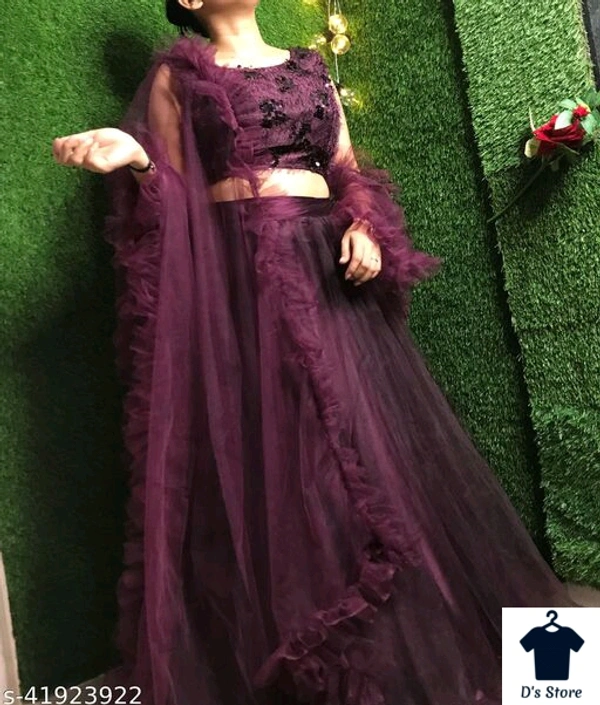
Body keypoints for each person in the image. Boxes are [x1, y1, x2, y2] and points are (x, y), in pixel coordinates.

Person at [52, 1, 579, 704]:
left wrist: (363, 225)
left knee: (364, 449)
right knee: (281, 456)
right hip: (241, 282)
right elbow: (172, 205)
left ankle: (411, 650)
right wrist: (139, 157)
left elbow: (347, 169)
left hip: (327, 269)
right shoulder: (179, 75)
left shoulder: (311, 67)